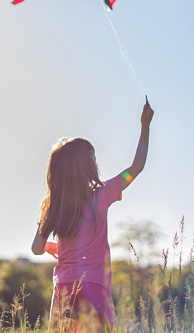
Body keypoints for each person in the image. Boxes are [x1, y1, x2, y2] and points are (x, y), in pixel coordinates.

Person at [31, 101, 154, 330]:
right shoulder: (101, 195)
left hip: (64, 289)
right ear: (88, 167)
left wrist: (54, 248)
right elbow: (137, 166)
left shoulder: (53, 205)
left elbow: (37, 249)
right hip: (94, 288)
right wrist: (145, 126)